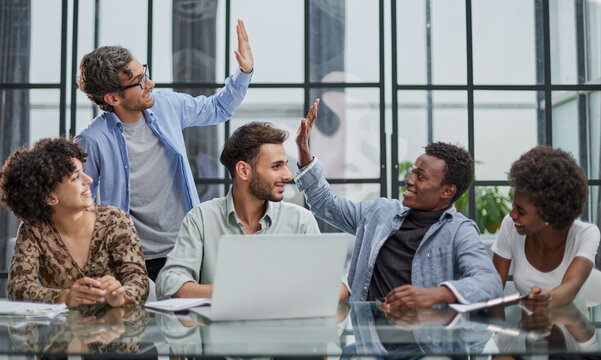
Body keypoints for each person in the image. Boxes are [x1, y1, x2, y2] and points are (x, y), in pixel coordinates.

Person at [74, 20, 254, 281]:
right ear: (113, 98)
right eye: (138, 81)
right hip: (134, 260)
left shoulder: (167, 105)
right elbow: (80, 204)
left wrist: (244, 71)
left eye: (144, 73)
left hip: (188, 248)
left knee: (197, 316)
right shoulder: (92, 140)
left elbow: (219, 108)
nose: (150, 84)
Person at [294, 99, 502, 309]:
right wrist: (303, 150)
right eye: (412, 172)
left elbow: (489, 283)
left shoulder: (459, 230)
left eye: (420, 177)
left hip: (426, 338)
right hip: (369, 337)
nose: (409, 180)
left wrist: (436, 294)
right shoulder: (380, 213)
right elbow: (325, 204)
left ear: (447, 191)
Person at [156, 122, 321, 299]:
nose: (288, 175)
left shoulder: (301, 221)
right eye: (276, 166)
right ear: (243, 170)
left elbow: (334, 285)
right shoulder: (201, 219)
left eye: (285, 165)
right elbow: (170, 282)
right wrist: (233, 292)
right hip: (218, 325)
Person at [0, 138, 148, 309]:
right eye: (76, 177)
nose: (89, 180)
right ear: (49, 197)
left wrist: (120, 296)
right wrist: (65, 297)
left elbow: (139, 281)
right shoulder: (34, 230)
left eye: (83, 171)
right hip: (62, 332)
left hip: (117, 328)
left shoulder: (115, 220)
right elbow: (17, 287)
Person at [492, 147, 600, 309]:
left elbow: (572, 286)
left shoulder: (586, 234)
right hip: (527, 327)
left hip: (573, 327)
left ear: (549, 214)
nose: (512, 214)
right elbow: (494, 287)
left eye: (520, 211)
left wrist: (547, 299)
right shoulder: (511, 225)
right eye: (514, 206)